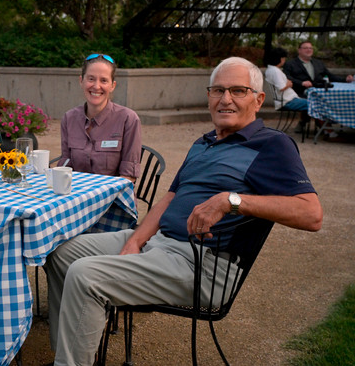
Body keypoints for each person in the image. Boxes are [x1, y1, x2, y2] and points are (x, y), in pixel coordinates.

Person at [43, 57, 323, 366]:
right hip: (160, 244)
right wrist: (135, 242)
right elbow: (169, 199)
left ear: (258, 100)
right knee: (61, 253)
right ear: (208, 97)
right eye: (218, 90)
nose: (225, 99)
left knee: (85, 275)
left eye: (238, 91)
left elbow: (311, 215)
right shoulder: (202, 143)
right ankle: (73, 353)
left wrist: (231, 200)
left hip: (203, 263)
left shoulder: (272, 145)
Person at [58, 53, 142, 182]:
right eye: (91, 79)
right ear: (81, 81)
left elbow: (128, 177)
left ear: (112, 85)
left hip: (113, 198)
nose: (96, 86)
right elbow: (65, 166)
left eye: (103, 80)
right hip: (77, 196)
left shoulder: (128, 119)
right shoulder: (69, 118)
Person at [283, 41, 353, 99]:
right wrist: (301, 83)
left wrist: (345, 79)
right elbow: (286, 77)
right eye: (306, 48)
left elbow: (329, 76)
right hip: (299, 93)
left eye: (311, 48)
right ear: (299, 50)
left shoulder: (318, 63)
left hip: (319, 92)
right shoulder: (290, 64)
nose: (309, 50)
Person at [264, 46, 308, 111]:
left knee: (312, 103)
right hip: (287, 102)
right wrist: (289, 84)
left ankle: (304, 121)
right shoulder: (275, 71)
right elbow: (281, 87)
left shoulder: (270, 69)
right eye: (284, 58)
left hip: (286, 100)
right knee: (314, 104)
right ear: (281, 59)